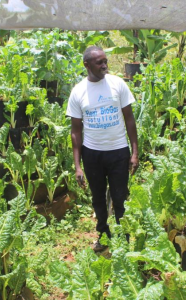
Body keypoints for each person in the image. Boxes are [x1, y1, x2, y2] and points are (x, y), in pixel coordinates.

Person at [66, 46, 139, 251]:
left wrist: (134, 152)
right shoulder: (78, 91)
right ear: (86, 65)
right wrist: (77, 166)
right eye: (99, 63)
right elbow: (75, 131)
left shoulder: (117, 84)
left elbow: (129, 119)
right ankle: (103, 235)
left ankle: (123, 238)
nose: (105, 66)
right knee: (98, 198)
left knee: (119, 196)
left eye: (105, 61)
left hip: (118, 152)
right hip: (93, 154)